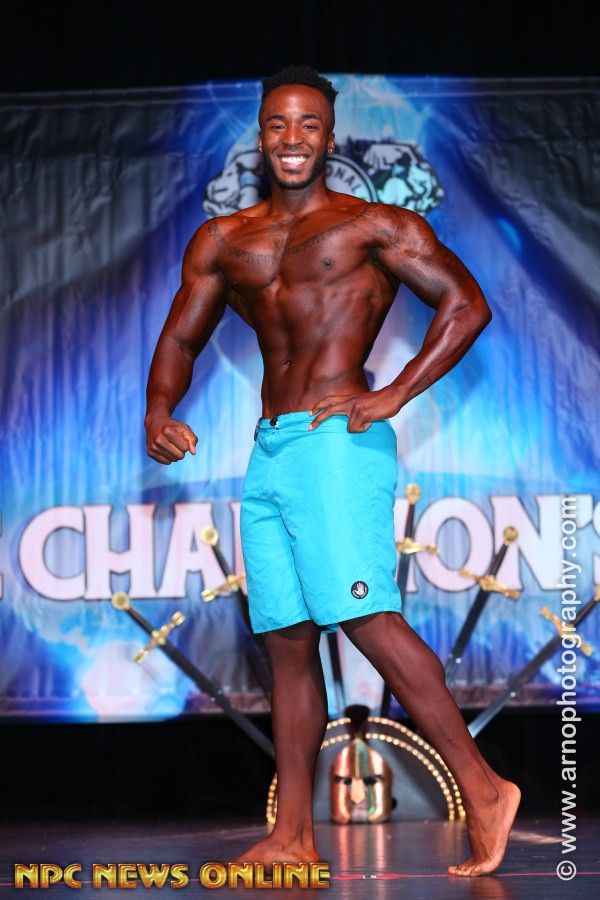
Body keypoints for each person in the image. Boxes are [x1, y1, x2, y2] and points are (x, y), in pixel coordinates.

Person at [144, 64, 520, 878]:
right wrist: (158, 411)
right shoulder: (223, 241)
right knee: (285, 641)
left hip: (338, 444)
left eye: (308, 124)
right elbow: (179, 338)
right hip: (270, 449)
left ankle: (486, 789)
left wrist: (396, 392)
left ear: (328, 135)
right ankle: (293, 834)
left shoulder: (372, 225)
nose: (292, 138)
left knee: (367, 618)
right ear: (261, 134)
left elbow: (467, 303)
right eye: (278, 124)